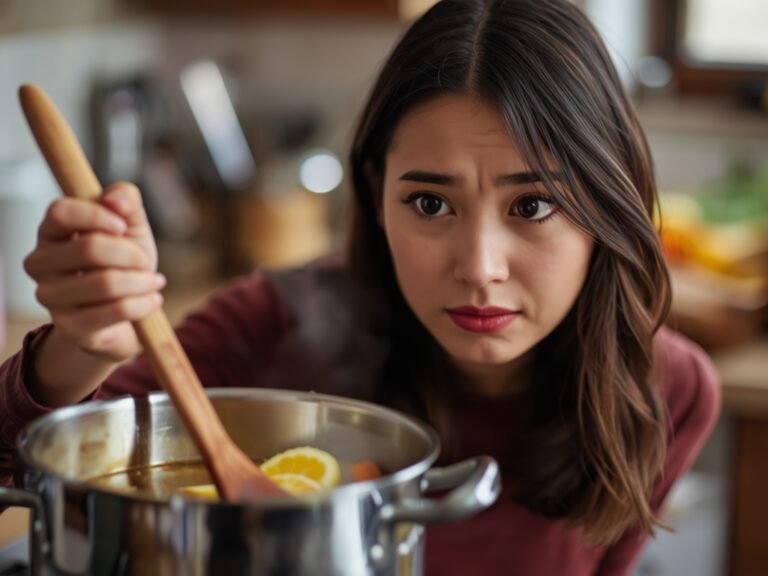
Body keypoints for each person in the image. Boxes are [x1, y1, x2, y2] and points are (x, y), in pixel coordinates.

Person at [1, 0, 720, 573]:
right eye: (430, 203)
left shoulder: (668, 394)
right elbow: (23, 467)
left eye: (533, 206)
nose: (480, 267)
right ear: (376, 195)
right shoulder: (270, 325)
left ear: (607, 205)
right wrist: (80, 349)